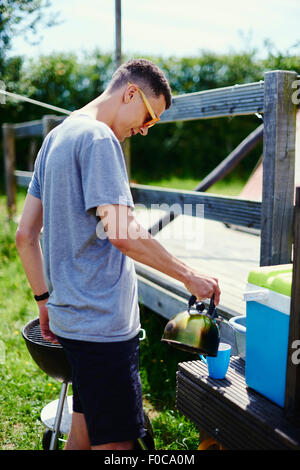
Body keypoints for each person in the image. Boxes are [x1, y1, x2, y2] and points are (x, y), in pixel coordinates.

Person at [16, 58, 221, 451]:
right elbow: (123, 233)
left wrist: (44, 301)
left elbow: (25, 235)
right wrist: (188, 276)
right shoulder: (99, 139)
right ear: (131, 93)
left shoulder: (56, 137)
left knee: (85, 429)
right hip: (103, 329)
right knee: (118, 448)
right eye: (148, 116)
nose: (144, 129)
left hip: (70, 322)